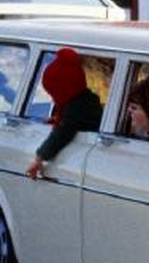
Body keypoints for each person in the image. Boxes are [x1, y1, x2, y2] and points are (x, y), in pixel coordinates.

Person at [25, 48, 103, 178]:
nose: (54, 97)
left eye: (55, 91)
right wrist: (57, 118)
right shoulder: (85, 99)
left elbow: (63, 132)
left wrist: (39, 158)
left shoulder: (77, 106)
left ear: (65, 88)